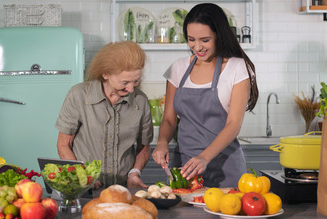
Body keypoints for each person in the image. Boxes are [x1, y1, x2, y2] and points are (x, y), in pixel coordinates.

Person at [152, 3, 258, 188]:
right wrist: (162, 142)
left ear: (219, 35)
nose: (197, 46)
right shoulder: (178, 68)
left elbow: (233, 125)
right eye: (191, 39)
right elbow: (169, 120)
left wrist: (204, 157)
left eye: (205, 40)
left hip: (225, 167)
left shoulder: (237, 68)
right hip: (185, 168)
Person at [55, 41, 153, 189]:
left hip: (122, 189)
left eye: (136, 81)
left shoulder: (141, 101)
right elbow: (63, 144)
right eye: (124, 82)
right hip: (83, 189)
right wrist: (83, 177)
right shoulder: (78, 95)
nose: (132, 89)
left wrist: (135, 172)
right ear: (105, 74)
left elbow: (144, 147)